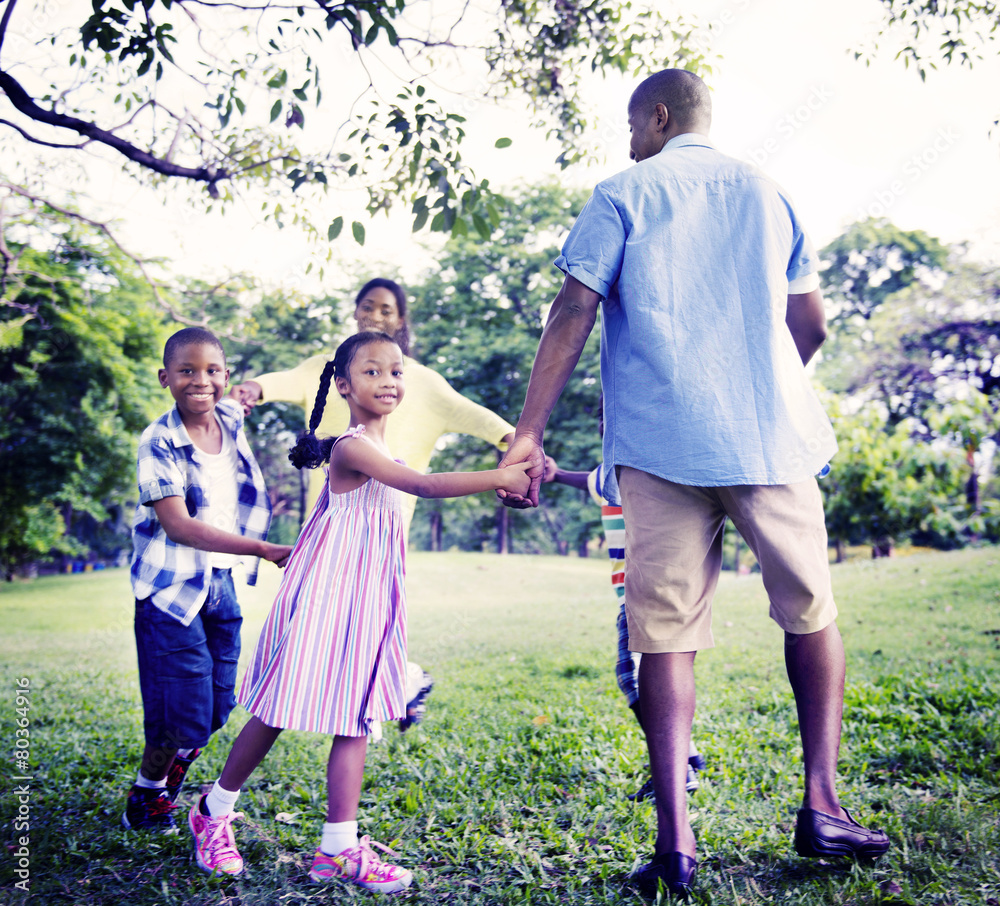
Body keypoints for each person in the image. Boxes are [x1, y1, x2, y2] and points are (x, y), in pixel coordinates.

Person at [499, 69, 890, 898]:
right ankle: (823, 805)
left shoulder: (621, 193)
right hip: (768, 440)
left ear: (659, 116)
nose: (628, 140)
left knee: (664, 636)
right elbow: (809, 323)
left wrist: (529, 432)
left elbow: (571, 311)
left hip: (659, 444)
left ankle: (675, 845)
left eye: (632, 125)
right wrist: (761, 381)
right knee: (811, 612)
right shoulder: (769, 192)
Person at [188, 331, 530, 890]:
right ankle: (214, 808)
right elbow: (424, 483)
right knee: (275, 709)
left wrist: (520, 467)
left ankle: (338, 849)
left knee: (358, 716)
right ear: (344, 386)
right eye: (372, 372)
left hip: (367, 603)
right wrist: (498, 477)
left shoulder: (381, 448)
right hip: (325, 598)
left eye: (396, 372)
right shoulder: (350, 447)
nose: (389, 381)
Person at [230, 278, 515, 729]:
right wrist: (252, 388)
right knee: (325, 628)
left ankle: (385, 690)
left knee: (366, 623)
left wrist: (520, 444)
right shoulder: (334, 369)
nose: (377, 315)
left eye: (387, 309)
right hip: (336, 522)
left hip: (384, 527)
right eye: (369, 306)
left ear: (401, 320)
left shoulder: (422, 381)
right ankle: (400, 682)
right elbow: (283, 381)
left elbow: (479, 418)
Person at [124, 327, 293, 834]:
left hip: (220, 583)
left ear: (225, 375)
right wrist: (262, 549)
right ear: (165, 379)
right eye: (187, 371)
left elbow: (246, 397)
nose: (201, 381)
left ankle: (172, 768)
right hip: (171, 592)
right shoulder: (158, 441)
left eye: (212, 371)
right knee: (182, 716)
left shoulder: (229, 416)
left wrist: (254, 389)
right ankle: (147, 794)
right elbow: (178, 526)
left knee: (219, 705)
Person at [543, 454, 706, 800]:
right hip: (632, 593)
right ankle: (686, 753)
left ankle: (679, 768)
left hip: (646, 590)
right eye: (601, 416)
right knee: (635, 675)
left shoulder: (649, 463)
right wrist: (556, 475)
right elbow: (588, 479)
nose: (605, 422)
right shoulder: (606, 472)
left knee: (635, 677)